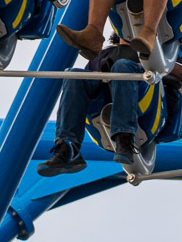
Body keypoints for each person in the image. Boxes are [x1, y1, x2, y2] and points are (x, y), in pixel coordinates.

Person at [38, 44, 174, 173]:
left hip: (144, 103)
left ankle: (125, 138)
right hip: (104, 102)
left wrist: (154, 68)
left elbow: (180, 72)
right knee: (74, 75)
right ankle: (67, 147)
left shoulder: (158, 53)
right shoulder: (102, 54)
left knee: (122, 66)